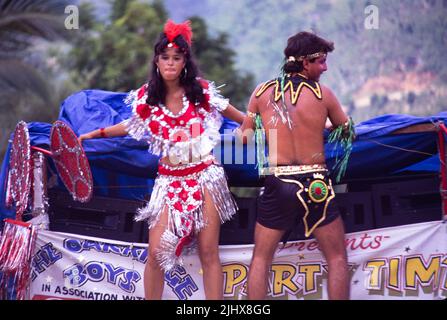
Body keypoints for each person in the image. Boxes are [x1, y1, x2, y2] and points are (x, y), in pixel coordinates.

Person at [79, 20, 245, 300]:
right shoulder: (148, 98)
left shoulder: (202, 92)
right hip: (169, 182)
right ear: (157, 61)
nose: (170, 63)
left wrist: (252, 128)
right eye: (165, 58)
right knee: (155, 253)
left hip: (206, 178)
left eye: (176, 58)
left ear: (184, 63)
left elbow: (242, 118)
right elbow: (130, 125)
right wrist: (95, 134)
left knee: (208, 252)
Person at [237, 31, 354, 300]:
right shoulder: (323, 95)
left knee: (260, 260)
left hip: (279, 182)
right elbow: (347, 131)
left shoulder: (262, 92)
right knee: (336, 258)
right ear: (305, 62)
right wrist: (323, 125)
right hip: (316, 185)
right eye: (321, 61)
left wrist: (247, 121)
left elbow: (243, 140)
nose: (324, 68)